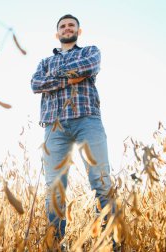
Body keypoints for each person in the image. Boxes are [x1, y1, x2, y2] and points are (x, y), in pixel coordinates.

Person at [30, 14, 113, 247]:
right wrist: (70, 79)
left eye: (71, 25)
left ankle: (109, 243)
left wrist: (55, 78)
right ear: (57, 34)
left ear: (79, 31)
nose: (67, 29)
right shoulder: (45, 62)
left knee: (101, 181)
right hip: (54, 126)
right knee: (54, 188)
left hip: (87, 120)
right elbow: (36, 84)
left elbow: (89, 66)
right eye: (63, 26)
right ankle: (56, 244)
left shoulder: (89, 51)